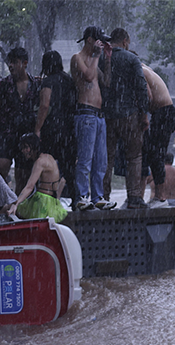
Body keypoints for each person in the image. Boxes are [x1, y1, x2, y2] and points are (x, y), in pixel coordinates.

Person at [100, 28, 150, 209]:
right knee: (134, 156)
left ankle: (103, 196)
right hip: (129, 115)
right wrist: (144, 114)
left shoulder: (102, 58)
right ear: (125, 41)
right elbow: (141, 87)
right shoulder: (131, 59)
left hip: (106, 115)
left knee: (106, 158)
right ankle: (134, 197)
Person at [70, 26, 115, 211]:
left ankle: (98, 196)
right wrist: (97, 55)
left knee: (100, 161)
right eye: (99, 40)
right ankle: (82, 196)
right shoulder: (77, 58)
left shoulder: (95, 61)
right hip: (86, 113)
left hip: (99, 116)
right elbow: (88, 77)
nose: (101, 44)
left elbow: (106, 82)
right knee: (85, 159)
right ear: (89, 40)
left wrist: (108, 59)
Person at [0, 47, 40, 194]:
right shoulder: (3, 84)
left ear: (24, 63)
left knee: (23, 174)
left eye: (14, 62)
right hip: (5, 133)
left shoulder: (35, 84)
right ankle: (0, 198)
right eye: (9, 62)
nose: (10, 66)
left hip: (26, 134)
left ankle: (18, 203)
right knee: (0, 166)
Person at [35, 50, 78, 202]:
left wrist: (37, 128)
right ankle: (76, 200)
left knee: (48, 165)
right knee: (69, 169)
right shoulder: (69, 81)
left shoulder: (48, 82)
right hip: (69, 129)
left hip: (52, 129)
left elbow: (44, 105)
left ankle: (48, 200)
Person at [141, 63, 175, 208]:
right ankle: (159, 196)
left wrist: (143, 115)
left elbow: (147, 96)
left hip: (163, 113)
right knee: (154, 154)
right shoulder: (146, 69)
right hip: (165, 113)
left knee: (156, 155)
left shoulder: (139, 70)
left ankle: (161, 197)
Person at [7, 133, 68, 223]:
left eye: (26, 147)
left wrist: (16, 204)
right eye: (22, 148)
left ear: (34, 147)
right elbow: (62, 180)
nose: (23, 150)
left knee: (8, 208)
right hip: (52, 201)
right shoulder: (49, 157)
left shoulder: (40, 162)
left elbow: (29, 187)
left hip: (42, 202)